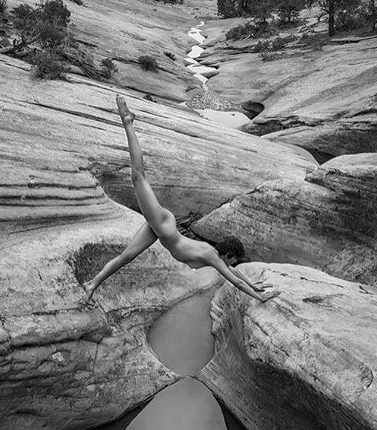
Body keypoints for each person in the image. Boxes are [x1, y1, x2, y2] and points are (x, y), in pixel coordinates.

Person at [82, 95, 281, 305]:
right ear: (229, 254)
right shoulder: (212, 256)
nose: (234, 264)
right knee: (138, 176)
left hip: (160, 230)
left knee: (126, 257)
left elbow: (235, 273)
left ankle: (91, 284)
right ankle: (128, 121)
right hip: (164, 227)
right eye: (234, 259)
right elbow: (235, 281)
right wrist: (261, 297)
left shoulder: (213, 255)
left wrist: (256, 285)